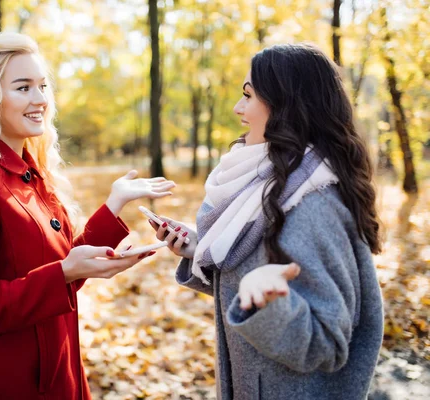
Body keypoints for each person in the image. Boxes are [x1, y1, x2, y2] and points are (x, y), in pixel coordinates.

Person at [0, 32, 175, 399]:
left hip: (61, 375)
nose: (40, 100)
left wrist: (114, 205)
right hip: (8, 385)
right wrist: (66, 272)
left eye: (43, 86)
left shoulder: (32, 171)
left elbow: (61, 270)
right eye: (23, 88)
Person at [148, 43, 384, 399]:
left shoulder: (312, 203)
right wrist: (198, 249)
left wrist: (265, 303)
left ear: (288, 104)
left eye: (249, 95)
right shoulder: (274, 182)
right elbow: (259, 282)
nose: (237, 108)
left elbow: (327, 344)